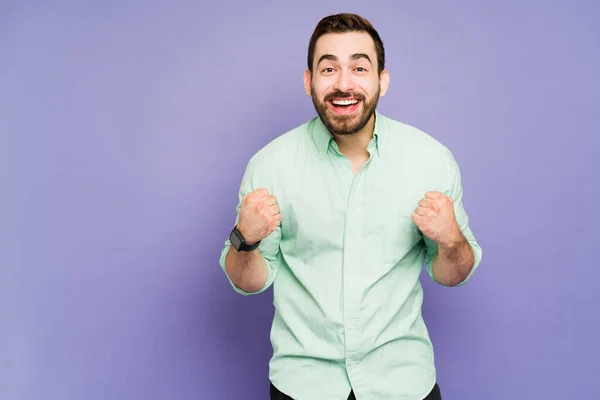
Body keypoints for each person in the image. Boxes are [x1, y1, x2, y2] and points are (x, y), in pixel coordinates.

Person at [219, 13, 482, 400]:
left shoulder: (431, 160)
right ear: (309, 81)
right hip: (303, 386)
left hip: (403, 385)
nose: (344, 84)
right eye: (329, 69)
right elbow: (249, 283)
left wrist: (452, 240)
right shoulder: (269, 166)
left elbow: (452, 274)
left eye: (359, 67)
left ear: (382, 80)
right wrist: (245, 239)